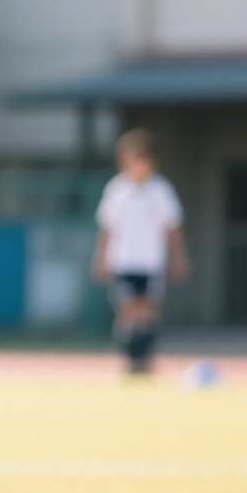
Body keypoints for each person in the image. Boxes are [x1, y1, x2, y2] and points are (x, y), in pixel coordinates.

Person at [92, 128, 188, 376]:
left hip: (150, 261)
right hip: (124, 261)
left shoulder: (161, 190)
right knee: (127, 309)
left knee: (148, 309)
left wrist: (179, 257)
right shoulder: (117, 190)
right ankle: (129, 358)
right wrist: (100, 258)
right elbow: (107, 228)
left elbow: (172, 227)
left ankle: (146, 358)